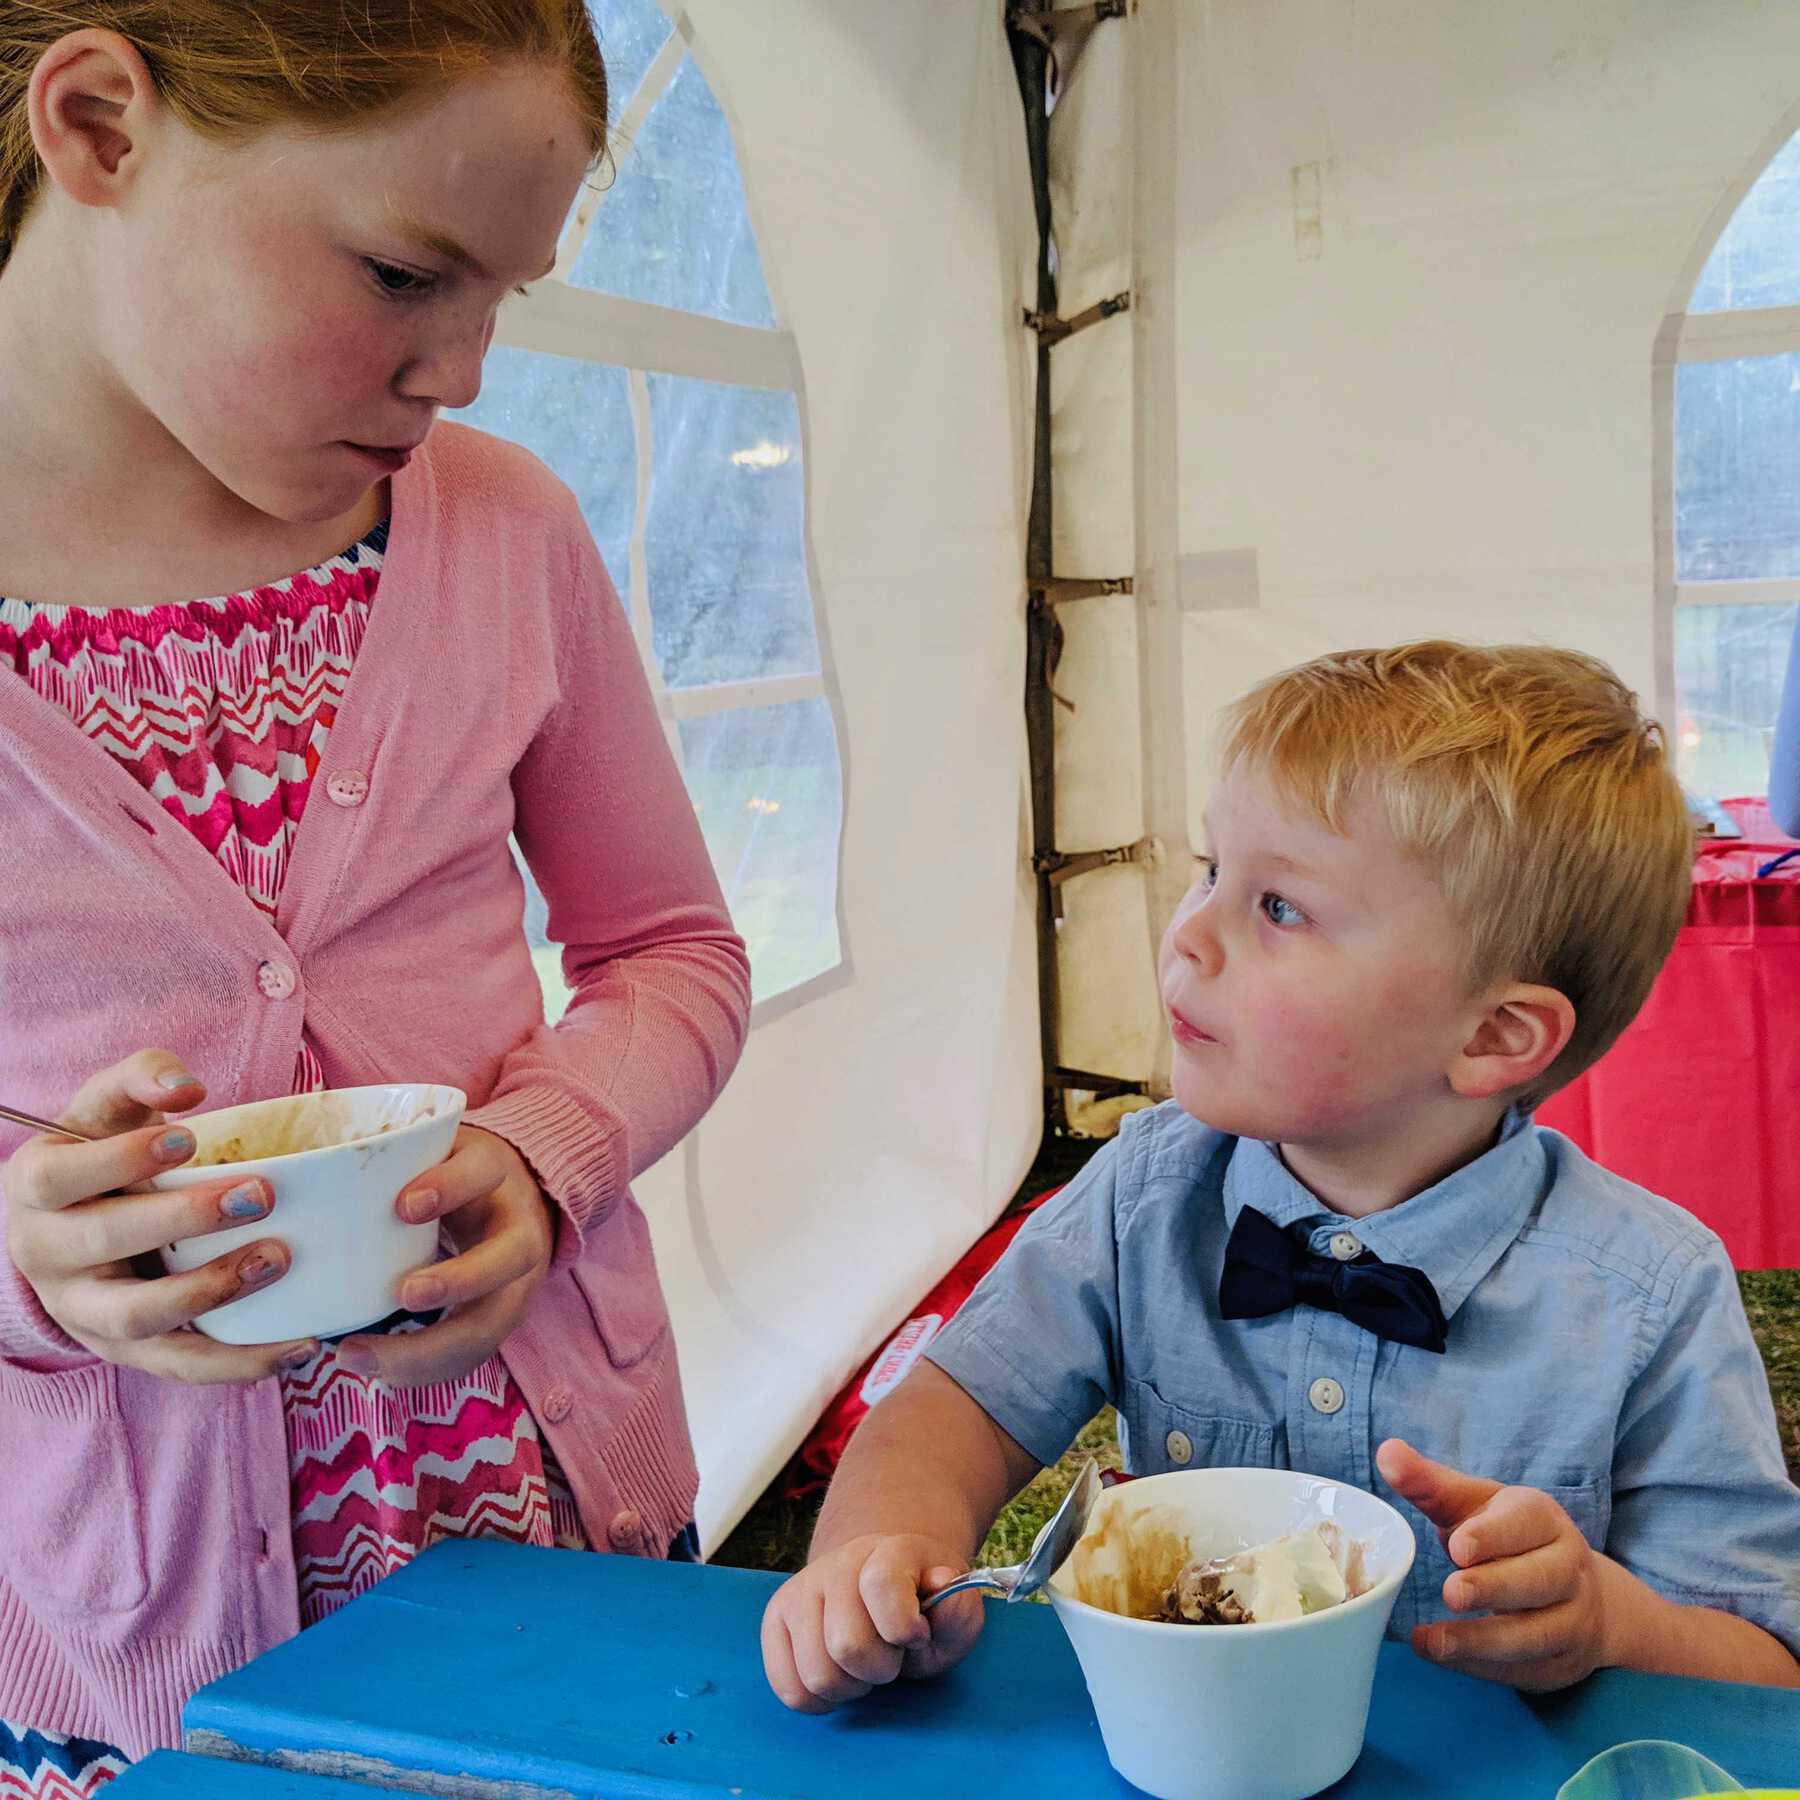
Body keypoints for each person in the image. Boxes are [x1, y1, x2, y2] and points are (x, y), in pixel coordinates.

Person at [0, 4, 752, 1789]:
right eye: (410, 273)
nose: (469, 370)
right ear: (101, 125)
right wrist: (32, 1264)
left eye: (506, 297)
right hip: (121, 1638)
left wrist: (548, 1145)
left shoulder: (505, 533)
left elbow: (674, 953)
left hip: (546, 1546)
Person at [763, 641, 1800, 1712]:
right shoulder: (1147, 1192)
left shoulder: (1651, 1296)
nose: (1188, 934)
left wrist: (1613, 1625)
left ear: (1494, 1035)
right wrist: (881, 1552)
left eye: (1279, 909)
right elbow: (954, 1406)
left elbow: (1768, 1666)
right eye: (1214, 872)